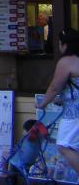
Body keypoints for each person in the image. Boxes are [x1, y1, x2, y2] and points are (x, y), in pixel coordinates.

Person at [36, 28, 79, 174]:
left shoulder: (67, 62)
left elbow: (55, 87)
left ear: (65, 44)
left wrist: (43, 103)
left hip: (75, 113)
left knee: (63, 146)